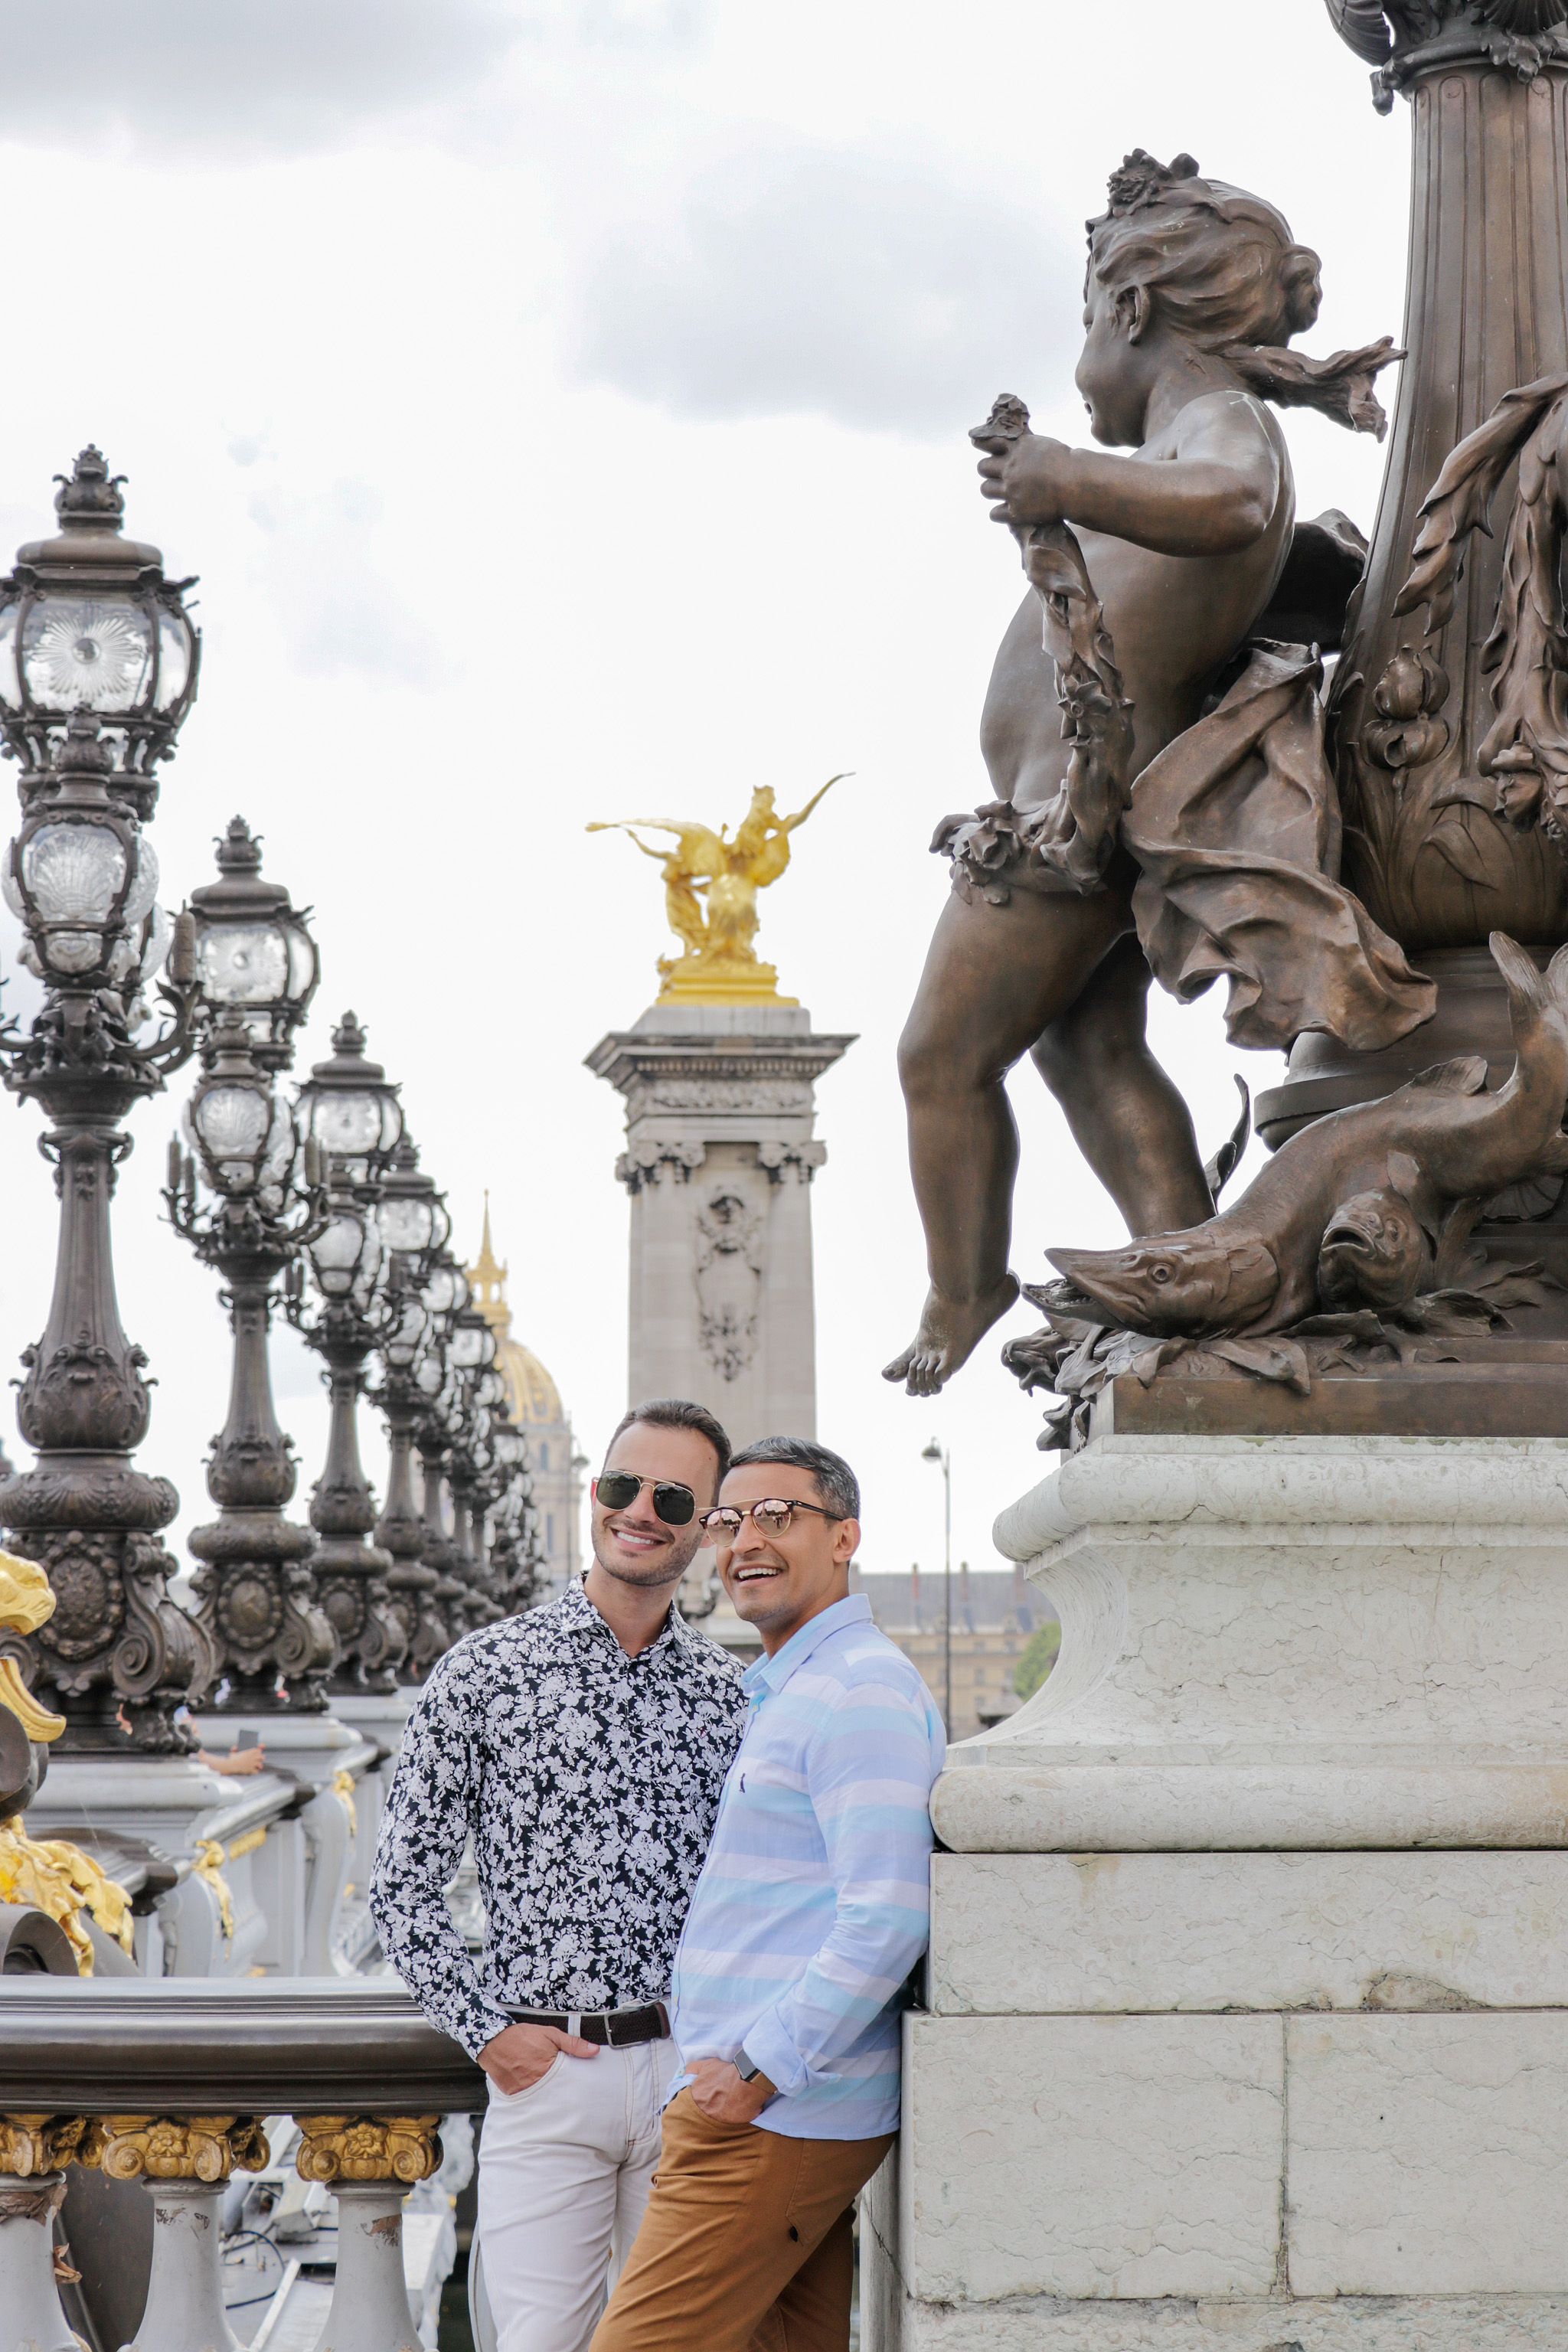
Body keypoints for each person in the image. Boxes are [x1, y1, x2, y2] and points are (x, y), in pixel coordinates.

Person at [885, 149, 1430, 1398]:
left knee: (937, 1059)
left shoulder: (1218, 427)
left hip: (1066, 826)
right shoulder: (1197, 428)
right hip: (1078, 809)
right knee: (1085, 1051)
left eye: (1088, 314)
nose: (1085, 346)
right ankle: (1186, 1256)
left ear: (1130, 310)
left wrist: (1066, 478)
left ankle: (963, 1286)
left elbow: (1232, 503)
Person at [370, 1398, 748, 2352]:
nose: (641, 1511)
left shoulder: (728, 1697)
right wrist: (490, 2035)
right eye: (623, 1486)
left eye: (672, 1498)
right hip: (548, 2079)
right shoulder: (482, 1673)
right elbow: (401, 1887)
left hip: (688, 2079)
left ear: (705, 1526)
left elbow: (761, 1898)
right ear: (593, 1493)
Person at [590, 1436, 946, 2352]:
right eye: (729, 1520)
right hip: (781, 2107)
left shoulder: (857, 1692)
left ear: (844, 1538)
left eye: (779, 1517)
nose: (746, 1540)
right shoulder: (800, 1686)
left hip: (771, 2115)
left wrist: (753, 2071)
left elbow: (887, 1917)